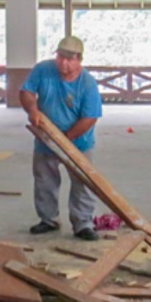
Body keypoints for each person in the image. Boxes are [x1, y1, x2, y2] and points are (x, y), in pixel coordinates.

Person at [19, 35, 103, 240]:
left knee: (82, 182)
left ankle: (83, 223)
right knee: (45, 180)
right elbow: (26, 91)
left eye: (69, 58)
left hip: (78, 142)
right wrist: (32, 110)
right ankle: (48, 219)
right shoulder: (42, 70)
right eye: (60, 57)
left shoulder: (88, 84)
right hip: (45, 139)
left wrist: (66, 139)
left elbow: (90, 117)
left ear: (79, 60)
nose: (63, 63)